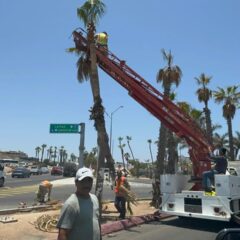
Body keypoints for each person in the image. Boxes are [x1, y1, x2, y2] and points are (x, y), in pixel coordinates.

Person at [57, 167, 100, 240]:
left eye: (89, 181)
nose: (86, 184)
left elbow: (97, 224)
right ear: (76, 183)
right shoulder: (71, 204)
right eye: (83, 181)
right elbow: (62, 234)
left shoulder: (94, 199)